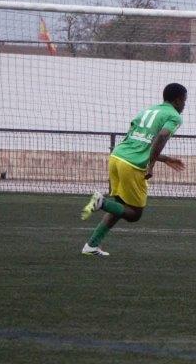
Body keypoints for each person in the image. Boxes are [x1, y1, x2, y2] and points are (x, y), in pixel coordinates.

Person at [80, 83, 187, 255]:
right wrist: (151, 164)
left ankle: (91, 245)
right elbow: (162, 136)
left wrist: (165, 159)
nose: (184, 105)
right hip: (132, 165)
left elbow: (137, 141)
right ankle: (101, 202)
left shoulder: (147, 111)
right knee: (134, 214)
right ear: (177, 100)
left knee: (120, 206)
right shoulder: (174, 116)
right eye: (184, 101)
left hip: (117, 157)